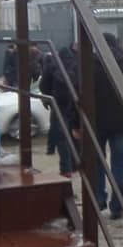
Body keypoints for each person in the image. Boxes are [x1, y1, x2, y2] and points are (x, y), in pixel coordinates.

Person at [71, 33, 123, 220]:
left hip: (95, 123)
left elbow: (77, 96)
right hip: (120, 125)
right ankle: (117, 206)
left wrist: (74, 122)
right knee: (118, 164)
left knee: (97, 162)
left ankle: (98, 199)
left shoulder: (88, 67)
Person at [41, 46, 78, 177]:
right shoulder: (77, 65)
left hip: (58, 105)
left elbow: (43, 85)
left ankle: (66, 168)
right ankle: (75, 165)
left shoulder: (52, 66)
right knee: (75, 134)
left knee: (62, 137)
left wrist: (48, 99)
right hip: (75, 104)